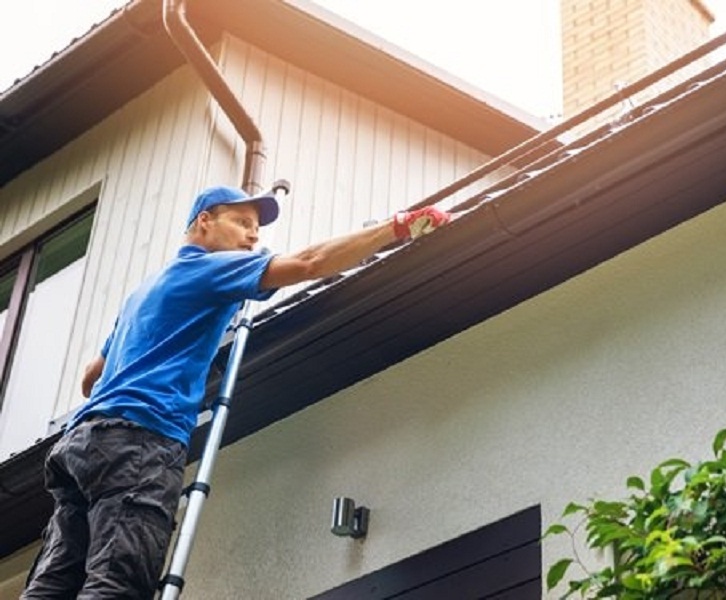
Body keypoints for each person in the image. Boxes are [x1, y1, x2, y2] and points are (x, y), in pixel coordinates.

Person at [21, 185, 450, 599]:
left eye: (257, 230)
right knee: (118, 581)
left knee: (53, 585)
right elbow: (309, 261)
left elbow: (90, 378)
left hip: (81, 445)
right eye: (242, 222)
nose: (252, 235)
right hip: (139, 443)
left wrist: (175, 360)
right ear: (204, 223)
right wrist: (397, 226)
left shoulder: (144, 293)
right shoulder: (208, 269)